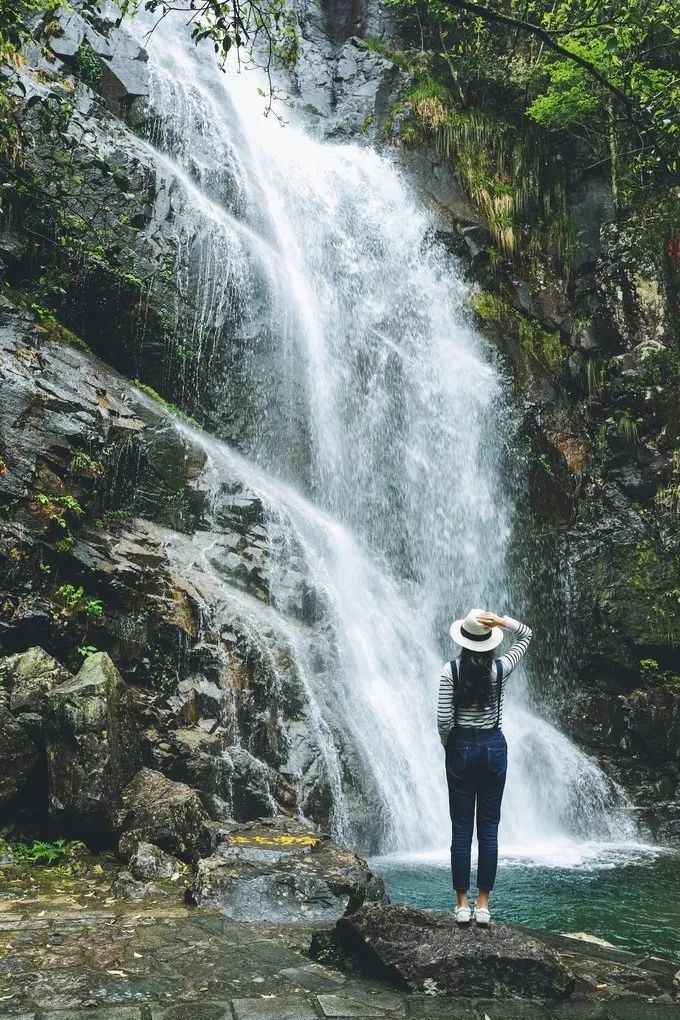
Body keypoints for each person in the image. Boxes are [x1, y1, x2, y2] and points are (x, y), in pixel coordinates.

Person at [437, 608, 532, 925]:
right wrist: (504, 622)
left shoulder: (451, 671)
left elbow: (443, 719)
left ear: (463, 641)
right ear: (490, 642)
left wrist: (446, 742)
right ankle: (483, 906)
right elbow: (526, 635)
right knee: (488, 831)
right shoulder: (501, 668)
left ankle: (461, 905)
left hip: (461, 747)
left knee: (461, 831)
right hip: (494, 747)